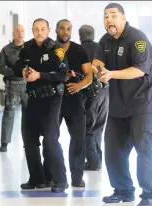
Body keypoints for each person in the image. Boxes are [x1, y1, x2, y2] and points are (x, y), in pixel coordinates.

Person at [92, 3, 152, 206]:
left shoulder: (137, 39)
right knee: (113, 149)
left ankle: (149, 195)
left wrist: (111, 74)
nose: (109, 20)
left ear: (123, 18)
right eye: (105, 16)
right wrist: (99, 69)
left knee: (144, 149)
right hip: (118, 104)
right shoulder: (105, 40)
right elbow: (96, 61)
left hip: (142, 104)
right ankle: (123, 191)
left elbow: (139, 70)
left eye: (113, 15)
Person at [14, 18, 68, 193]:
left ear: (48, 30)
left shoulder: (57, 50)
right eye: (36, 29)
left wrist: (39, 75)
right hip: (33, 99)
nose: (39, 32)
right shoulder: (26, 48)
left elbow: (62, 75)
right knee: (29, 140)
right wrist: (21, 71)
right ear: (32, 30)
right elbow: (17, 66)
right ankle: (37, 179)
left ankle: (60, 180)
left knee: (51, 140)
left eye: (43, 29)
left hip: (51, 100)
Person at [52, 19, 92, 187]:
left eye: (68, 29)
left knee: (78, 138)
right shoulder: (49, 49)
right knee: (51, 138)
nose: (65, 32)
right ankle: (55, 177)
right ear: (56, 30)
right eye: (62, 28)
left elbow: (89, 75)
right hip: (53, 100)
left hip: (75, 100)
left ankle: (77, 176)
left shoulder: (79, 50)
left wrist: (79, 85)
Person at [79, 24, 109, 170]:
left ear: (80, 35)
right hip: (105, 93)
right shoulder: (101, 49)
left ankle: (93, 161)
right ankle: (98, 159)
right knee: (99, 127)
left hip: (90, 95)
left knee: (87, 128)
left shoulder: (79, 50)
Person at [0, 24, 28, 152]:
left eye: (22, 31)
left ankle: (28, 142)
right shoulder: (6, 50)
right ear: (13, 34)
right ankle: (4, 143)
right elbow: (0, 66)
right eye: (17, 31)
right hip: (12, 85)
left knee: (29, 115)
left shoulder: (31, 48)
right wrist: (13, 71)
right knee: (9, 113)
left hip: (27, 86)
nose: (20, 34)